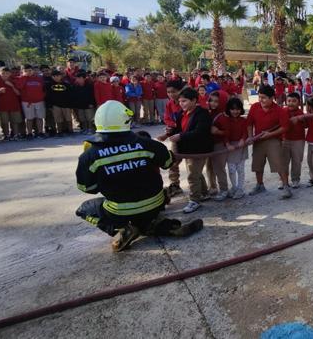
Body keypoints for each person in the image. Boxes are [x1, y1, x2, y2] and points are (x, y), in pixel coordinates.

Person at [75, 100, 203, 252]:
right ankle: (155, 226)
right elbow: (169, 162)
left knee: (83, 209)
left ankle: (122, 229)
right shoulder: (147, 144)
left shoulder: (89, 155)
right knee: (144, 209)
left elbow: (87, 187)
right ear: (126, 120)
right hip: (156, 204)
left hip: (121, 210)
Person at [170, 87, 214, 213]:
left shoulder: (203, 114)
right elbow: (178, 129)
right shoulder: (181, 114)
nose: (181, 103)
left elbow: (200, 132)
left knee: (192, 175)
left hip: (199, 149)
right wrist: (169, 133)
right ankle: (204, 193)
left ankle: (195, 200)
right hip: (187, 149)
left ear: (194, 100)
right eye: (180, 101)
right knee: (195, 172)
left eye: (184, 101)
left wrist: (180, 136)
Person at [246, 85, 292, 199]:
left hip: (273, 140)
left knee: (279, 164)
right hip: (258, 140)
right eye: (259, 97)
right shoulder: (254, 107)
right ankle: (260, 185)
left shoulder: (279, 110)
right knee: (258, 163)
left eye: (264, 98)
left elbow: (285, 127)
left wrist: (270, 134)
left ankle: (286, 186)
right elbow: (249, 123)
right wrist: (251, 137)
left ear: (272, 98)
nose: (261, 100)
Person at [157, 79, 185, 198]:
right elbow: (167, 119)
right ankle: (175, 185)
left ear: (180, 91)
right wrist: (171, 128)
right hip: (175, 137)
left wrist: (173, 127)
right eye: (168, 92)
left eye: (173, 91)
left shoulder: (186, 101)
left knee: (193, 165)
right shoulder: (169, 104)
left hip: (188, 136)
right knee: (173, 162)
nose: (171, 94)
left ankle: (201, 188)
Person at [206, 91, 230, 200]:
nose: (212, 103)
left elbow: (229, 132)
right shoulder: (209, 113)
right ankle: (212, 187)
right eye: (211, 100)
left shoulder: (224, 116)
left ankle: (224, 189)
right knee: (209, 167)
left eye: (216, 101)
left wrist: (218, 132)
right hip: (209, 144)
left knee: (218, 168)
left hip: (219, 145)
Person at [223, 97, 248, 199]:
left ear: (240, 109)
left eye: (237, 109)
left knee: (240, 169)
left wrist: (243, 139)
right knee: (231, 169)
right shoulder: (226, 121)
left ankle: (240, 188)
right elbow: (225, 134)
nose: (235, 111)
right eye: (232, 109)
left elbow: (245, 132)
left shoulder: (243, 120)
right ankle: (234, 187)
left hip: (241, 146)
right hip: (231, 148)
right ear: (229, 110)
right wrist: (228, 144)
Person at [0, 67, 23, 140]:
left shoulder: (14, 81)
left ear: (10, 73)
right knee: (4, 122)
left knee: (15, 121)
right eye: (3, 73)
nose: (5, 75)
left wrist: (12, 86)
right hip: (2, 105)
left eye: (7, 73)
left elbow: (18, 93)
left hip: (14, 104)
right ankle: (6, 135)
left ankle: (16, 135)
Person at [282, 92, 306, 189]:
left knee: (297, 161)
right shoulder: (283, 111)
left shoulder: (301, 113)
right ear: (286, 101)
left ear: (299, 102)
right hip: (285, 140)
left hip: (298, 140)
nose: (291, 103)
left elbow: (306, 125)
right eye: (289, 101)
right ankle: (283, 181)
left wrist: (300, 120)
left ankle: (295, 180)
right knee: (284, 162)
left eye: (294, 101)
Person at [17, 64, 47, 139]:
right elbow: (19, 87)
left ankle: (40, 132)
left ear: (32, 70)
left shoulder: (39, 78)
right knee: (29, 118)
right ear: (22, 71)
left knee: (39, 117)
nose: (28, 72)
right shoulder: (20, 78)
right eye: (26, 71)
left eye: (30, 70)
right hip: (27, 102)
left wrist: (42, 96)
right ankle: (29, 133)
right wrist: (24, 77)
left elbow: (43, 88)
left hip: (39, 101)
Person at [47, 70, 74, 137]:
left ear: (61, 76)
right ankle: (60, 131)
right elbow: (47, 96)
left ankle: (70, 131)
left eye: (58, 76)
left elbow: (70, 95)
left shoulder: (66, 85)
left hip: (66, 104)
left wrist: (71, 104)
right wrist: (49, 105)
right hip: (55, 105)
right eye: (54, 76)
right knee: (58, 119)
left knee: (68, 118)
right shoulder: (49, 85)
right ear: (52, 77)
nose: (56, 77)